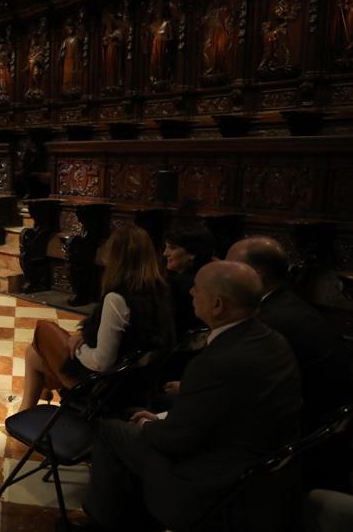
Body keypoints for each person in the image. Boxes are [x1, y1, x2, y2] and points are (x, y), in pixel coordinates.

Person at [82, 261, 302, 531]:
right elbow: (220, 408)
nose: (190, 294)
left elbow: (177, 440)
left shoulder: (216, 361)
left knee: (111, 430)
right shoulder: (274, 341)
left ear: (218, 304)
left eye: (197, 290)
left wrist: (148, 425)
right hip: (258, 468)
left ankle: (100, 522)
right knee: (159, 406)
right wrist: (164, 417)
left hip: (210, 482)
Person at [226, 236, 352, 491]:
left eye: (230, 267)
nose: (224, 272)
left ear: (255, 274)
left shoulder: (269, 322)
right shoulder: (286, 302)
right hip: (325, 433)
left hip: (300, 444)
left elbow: (247, 398)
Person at [17, 225, 174, 413]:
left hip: (104, 386)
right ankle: (23, 413)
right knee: (33, 355)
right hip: (137, 380)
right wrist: (87, 334)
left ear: (116, 258)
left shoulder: (117, 299)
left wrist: (76, 345)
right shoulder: (158, 291)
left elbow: (102, 362)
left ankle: (31, 408)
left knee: (43, 330)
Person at [163, 224, 215, 336]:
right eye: (165, 247)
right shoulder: (212, 275)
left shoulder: (177, 283)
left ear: (192, 253)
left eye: (172, 248)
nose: (165, 253)